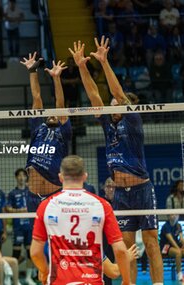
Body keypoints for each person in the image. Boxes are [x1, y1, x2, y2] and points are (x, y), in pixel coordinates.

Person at [69, 37, 164, 284]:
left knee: (152, 241)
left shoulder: (132, 121)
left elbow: (118, 94)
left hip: (142, 188)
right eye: (110, 104)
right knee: (127, 245)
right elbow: (93, 95)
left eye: (115, 103)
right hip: (121, 194)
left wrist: (104, 61)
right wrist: (81, 66)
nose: (112, 105)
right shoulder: (106, 123)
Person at [30, 155, 131, 285]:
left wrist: (44, 271)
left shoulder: (46, 206)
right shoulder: (102, 205)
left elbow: (35, 252)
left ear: (60, 177)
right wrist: (127, 281)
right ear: (85, 176)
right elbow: (121, 251)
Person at [20, 52, 72, 210]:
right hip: (33, 196)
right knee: (35, 235)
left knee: (56, 234)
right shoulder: (38, 129)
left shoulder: (64, 132)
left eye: (55, 114)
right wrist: (32, 71)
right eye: (48, 113)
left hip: (54, 194)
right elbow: (36, 98)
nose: (51, 114)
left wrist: (56, 78)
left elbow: (60, 104)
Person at [6, 168, 35, 285]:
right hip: (18, 227)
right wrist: (20, 211)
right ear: (16, 177)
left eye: (24, 175)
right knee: (16, 254)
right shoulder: (13, 193)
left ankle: (28, 278)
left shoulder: (31, 191)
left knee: (30, 253)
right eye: (19, 175)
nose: (22, 177)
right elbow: (8, 208)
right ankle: (14, 278)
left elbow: (35, 206)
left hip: (29, 226)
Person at [160, 214, 184, 281]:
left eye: (176, 215)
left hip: (175, 245)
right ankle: (179, 274)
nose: (174, 216)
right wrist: (179, 249)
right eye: (172, 215)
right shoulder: (165, 226)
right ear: (168, 216)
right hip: (165, 247)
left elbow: (181, 239)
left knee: (179, 251)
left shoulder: (178, 225)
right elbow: (171, 240)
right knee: (178, 253)